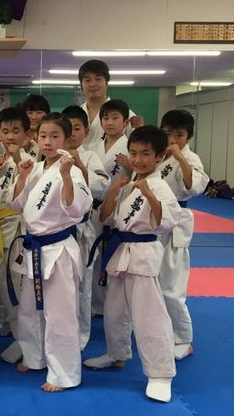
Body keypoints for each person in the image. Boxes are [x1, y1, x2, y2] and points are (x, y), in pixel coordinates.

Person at [84, 126, 181, 403]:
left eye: (145, 154)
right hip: (120, 251)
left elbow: (168, 221)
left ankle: (161, 374)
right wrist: (113, 192)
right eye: (134, 153)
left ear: (159, 156)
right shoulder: (129, 183)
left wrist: (149, 194)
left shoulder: (159, 185)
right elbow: (105, 218)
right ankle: (116, 354)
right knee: (114, 311)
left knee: (149, 316)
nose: (138, 159)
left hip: (142, 252)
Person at [8, 113, 92, 392]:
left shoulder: (71, 169)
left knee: (60, 314)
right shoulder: (35, 167)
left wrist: (66, 176)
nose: (47, 141)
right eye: (43, 136)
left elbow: (79, 209)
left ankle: (64, 374)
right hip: (34, 248)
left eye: (55, 136)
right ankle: (34, 357)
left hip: (58, 250)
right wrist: (22, 176)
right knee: (29, 308)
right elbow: (17, 205)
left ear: (66, 139)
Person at [158, 110, 209, 360]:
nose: (172, 139)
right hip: (153, 223)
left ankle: (183, 339)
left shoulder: (189, 158)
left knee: (171, 286)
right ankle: (160, 329)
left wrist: (179, 156)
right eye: (168, 133)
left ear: (188, 137)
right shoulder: (158, 154)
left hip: (174, 223)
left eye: (179, 134)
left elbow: (194, 186)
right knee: (153, 283)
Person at [0, 107, 31, 364]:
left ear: (26, 134)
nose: (10, 136)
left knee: (14, 282)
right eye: (5, 131)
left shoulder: (31, 161)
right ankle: (5, 322)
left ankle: (24, 337)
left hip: (14, 228)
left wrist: (18, 158)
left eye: (16, 131)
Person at [62, 105, 110, 350]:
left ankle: (80, 335)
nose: (71, 133)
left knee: (83, 282)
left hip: (81, 228)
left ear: (86, 131)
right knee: (57, 284)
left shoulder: (90, 156)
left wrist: (80, 165)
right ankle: (58, 332)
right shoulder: (49, 155)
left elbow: (102, 186)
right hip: (55, 232)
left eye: (77, 128)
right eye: (67, 128)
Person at [89, 98, 131, 315]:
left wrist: (131, 166)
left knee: (116, 258)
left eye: (115, 118)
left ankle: (116, 307)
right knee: (94, 257)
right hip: (95, 208)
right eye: (105, 118)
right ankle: (97, 304)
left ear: (126, 122)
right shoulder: (93, 147)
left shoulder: (131, 148)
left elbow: (145, 173)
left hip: (119, 209)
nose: (110, 122)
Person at [78, 60, 141, 150]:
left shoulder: (125, 113)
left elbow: (138, 145)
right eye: (87, 80)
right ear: (81, 84)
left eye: (98, 79)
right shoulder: (75, 114)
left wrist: (140, 129)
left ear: (106, 82)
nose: (92, 84)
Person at [18, 94, 50, 160]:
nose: (34, 117)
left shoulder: (52, 139)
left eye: (39, 112)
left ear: (47, 114)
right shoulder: (17, 138)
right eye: (30, 113)